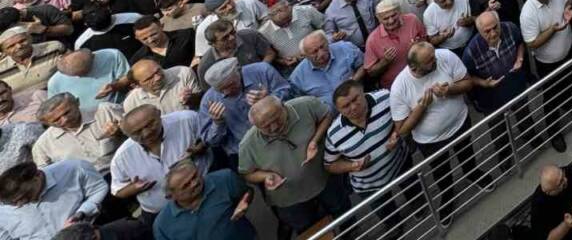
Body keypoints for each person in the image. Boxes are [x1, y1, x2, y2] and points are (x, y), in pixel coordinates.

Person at [388, 41, 476, 225]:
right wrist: (421, 107)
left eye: (433, 56)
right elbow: (402, 129)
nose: (435, 61)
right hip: (431, 142)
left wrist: (450, 90)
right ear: (414, 66)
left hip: (460, 124)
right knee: (441, 174)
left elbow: (468, 83)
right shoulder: (399, 87)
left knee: (468, 156)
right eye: (429, 61)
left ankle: (473, 174)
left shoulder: (444, 56)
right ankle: (447, 198)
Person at [238, 95, 343, 237]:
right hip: (289, 199)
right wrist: (266, 176)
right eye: (266, 127)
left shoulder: (306, 104)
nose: (274, 128)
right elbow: (247, 173)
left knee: (341, 211)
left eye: (277, 120)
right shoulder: (247, 145)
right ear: (255, 126)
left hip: (324, 179)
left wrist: (314, 140)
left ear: (284, 107)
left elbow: (326, 115)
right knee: (309, 230)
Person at [324, 79, 412, 228]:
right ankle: (396, 228)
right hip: (368, 185)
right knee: (389, 216)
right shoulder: (334, 134)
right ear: (338, 110)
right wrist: (352, 166)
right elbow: (329, 164)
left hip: (400, 164)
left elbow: (405, 115)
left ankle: (419, 209)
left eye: (355, 99)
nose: (353, 107)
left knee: (414, 193)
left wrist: (396, 134)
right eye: (346, 106)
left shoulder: (385, 98)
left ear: (363, 92)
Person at [0, 158, 147, 240]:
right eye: (14, 203)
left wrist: (82, 213)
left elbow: (99, 189)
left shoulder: (74, 168)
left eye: (24, 197)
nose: (19, 204)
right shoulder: (6, 207)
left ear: (37, 176)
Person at [109, 105, 210, 221]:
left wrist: (203, 146)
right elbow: (117, 190)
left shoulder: (187, 120)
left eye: (150, 124)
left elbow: (212, 137)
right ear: (127, 135)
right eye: (137, 133)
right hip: (162, 215)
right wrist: (134, 188)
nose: (146, 133)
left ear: (159, 113)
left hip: (205, 195)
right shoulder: (122, 157)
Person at [152, 161, 255, 240]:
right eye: (186, 185)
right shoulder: (162, 225)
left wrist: (245, 201)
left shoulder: (225, 178)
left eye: (195, 176)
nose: (195, 183)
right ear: (171, 196)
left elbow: (248, 191)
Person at [529, 164, 572, 240]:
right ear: (550, 192)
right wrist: (566, 225)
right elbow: (548, 238)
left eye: (562, 174)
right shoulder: (538, 205)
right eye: (561, 182)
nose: (566, 179)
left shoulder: (568, 172)